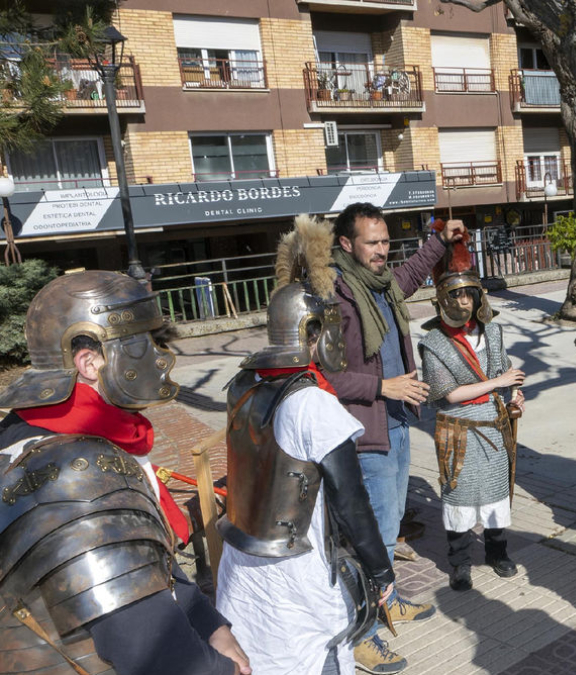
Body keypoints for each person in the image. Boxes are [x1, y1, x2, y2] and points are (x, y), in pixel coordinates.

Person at [0, 270, 251, 675]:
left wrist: (209, 624)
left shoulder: (42, 431)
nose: (160, 358)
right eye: (143, 342)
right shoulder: (72, 472)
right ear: (89, 362)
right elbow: (151, 646)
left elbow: (139, 564)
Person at [217, 216, 404, 675]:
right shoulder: (312, 404)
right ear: (312, 331)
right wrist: (381, 570)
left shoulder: (243, 384)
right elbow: (351, 502)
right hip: (294, 573)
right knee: (312, 658)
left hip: (241, 561)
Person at [325, 203, 459, 617]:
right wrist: (384, 386)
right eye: (372, 243)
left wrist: (441, 240)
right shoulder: (335, 296)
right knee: (378, 530)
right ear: (346, 243)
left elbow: (412, 273)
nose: (382, 250)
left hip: (398, 422)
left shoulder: (381, 285)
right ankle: (368, 624)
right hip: (367, 431)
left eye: (385, 241)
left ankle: (388, 602)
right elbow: (323, 377)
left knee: (392, 520)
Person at [418, 228, 525, 592]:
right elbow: (448, 394)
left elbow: (504, 372)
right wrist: (498, 383)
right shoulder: (434, 342)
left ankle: (497, 553)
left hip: (493, 424)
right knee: (459, 499)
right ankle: (460, 563)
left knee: (496, 496)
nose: (463, 301)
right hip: (458, 428)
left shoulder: (492, 332)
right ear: (443, 298)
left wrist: (514, 395)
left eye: (468, 293)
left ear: (479, 295)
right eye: (455, 294)